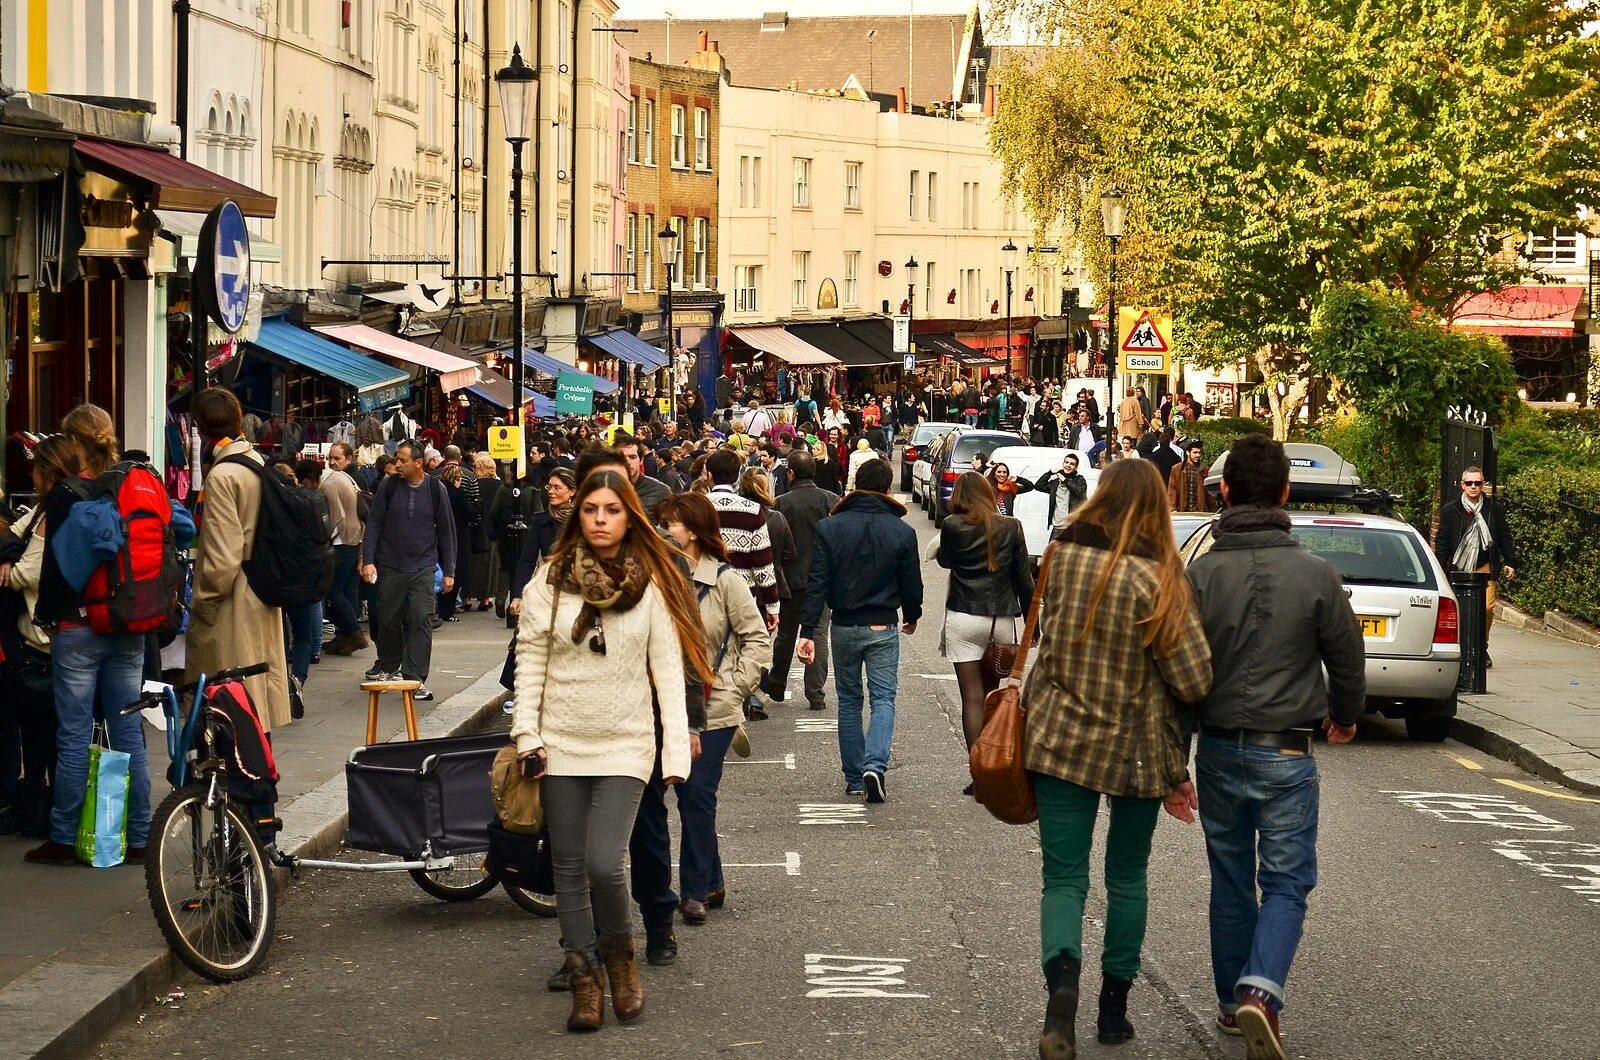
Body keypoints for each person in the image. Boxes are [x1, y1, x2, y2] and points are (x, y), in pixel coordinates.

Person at [1024, 459, 1213, 1060]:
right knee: (1126, 877)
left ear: (1100, 498)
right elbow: (1193, 679)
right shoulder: (1160, 579)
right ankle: (1112, 1011)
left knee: (1064, 877)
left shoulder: (1062, 558)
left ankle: (1061, 995)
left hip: (1059, 742)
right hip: (1136, 750)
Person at [1183, 434, 1365, 1058]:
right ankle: (1262, 991)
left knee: (1230, 877)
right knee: (1286, 881)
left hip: (1217, 748)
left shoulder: (1200, 575)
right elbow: (1347, 657)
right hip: (1287, 750)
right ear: (1286, 493)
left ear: (1226, 491)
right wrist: (1345, 716)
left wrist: (1172, 762)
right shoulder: (1316, 574)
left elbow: (1180, 676)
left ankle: (1234, 1006)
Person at [512, 467, 711, 1034]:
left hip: (626, 741)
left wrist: (676, 750)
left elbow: (669, 672)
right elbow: (532, 663)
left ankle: (621, 960)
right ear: (579, 514)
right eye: (591, 509)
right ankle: (584, 979)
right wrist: (527, 735)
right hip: (560, 740)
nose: (600, 520)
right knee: (567, 868)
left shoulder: (651, 583)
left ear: (629, 516)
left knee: (604, 862)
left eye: (612, 510)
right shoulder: (548, 582)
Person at [25, 406, 158, 865]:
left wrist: (46, 614)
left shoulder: (67, 493)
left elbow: (57, 567)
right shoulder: (135, 480)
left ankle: (63, 838)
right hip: (129, 624)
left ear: (73, 442)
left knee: (75, 734)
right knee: (128, 732)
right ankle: (140, 838)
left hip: (79, 625)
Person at [658, 492, 770, 923]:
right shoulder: (658, 577)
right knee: (684, 796)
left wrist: (735, 687)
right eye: (664, 522)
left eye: (674, 523)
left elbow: (757, 640)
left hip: (713, 708)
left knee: (696, 795)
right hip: (665, 704)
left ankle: (692, 893)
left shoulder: (725, 580)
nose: (667, 530)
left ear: (695, 529)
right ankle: (713, 879)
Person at [796, 459, 923, 803]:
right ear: (887, 486)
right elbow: (911, 583)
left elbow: (818, 581)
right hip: (883, 622)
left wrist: (808, 629)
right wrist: (912, 614)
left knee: (849, 700)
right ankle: (874, 765)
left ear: (856, 483)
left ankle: (854, 776)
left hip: (843, 624)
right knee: (883, 699)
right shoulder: (902, 531)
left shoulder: (830, 527)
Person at [0, 435, 74, 839]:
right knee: (43, 734)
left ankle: (47, 815)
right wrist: (8, 554)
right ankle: (42, 807)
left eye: (34, 466)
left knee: (43, 735)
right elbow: (10, 536)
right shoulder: (45, 509)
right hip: (48, 640)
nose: (29, 472)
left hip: (45, 642)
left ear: (47, 471)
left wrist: (9, 565)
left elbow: (27, 573)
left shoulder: (53, 512)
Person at [936, 473, 1033, 762]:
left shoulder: (952, 525)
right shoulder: (1012, 527)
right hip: (1000, 620)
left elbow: (945, 561)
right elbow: (1024, 580)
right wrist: (1032, 624)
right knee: (992, 696)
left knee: (972, 698)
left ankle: (977, 770)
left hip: (964, 617)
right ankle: (992, 768)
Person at [363, 440, 456, 701]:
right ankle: (389, 665)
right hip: (391, 565)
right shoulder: (388, 486)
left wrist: (449, 570)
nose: (397, 464)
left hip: (424, 566)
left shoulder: (436, 490)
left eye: (403, 460)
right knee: (388, 618)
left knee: (420, 619)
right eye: (396, 459)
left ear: (419, 463)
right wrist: (368, 559)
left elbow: (447, 532)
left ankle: (415, 678)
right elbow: (374, 524)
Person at [767, 451, 837, 711]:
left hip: (789, 577)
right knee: (818, 632)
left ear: (791, 473)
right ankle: (815, 693)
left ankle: (777, 683)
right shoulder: (830, 500)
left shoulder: (780, 503)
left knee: (786, 633)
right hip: (822, 578)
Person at [1435, 465, 1518, 656]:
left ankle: (1481, 646)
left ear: (1482, 485)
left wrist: (1510, 561)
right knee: (1462, 610)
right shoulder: (1450, 510)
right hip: (1459, 568)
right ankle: (1466, 647)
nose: (1473, 486)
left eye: (1478, 483)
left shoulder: (1493, 510)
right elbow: (1443, 541)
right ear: (1462, 485)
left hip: (1485, 565)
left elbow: (1504, 536)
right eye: (1469, 483)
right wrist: (1439, 567)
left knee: (1487, 608)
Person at [704, 450, 780, 629]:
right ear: (737, 475)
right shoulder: (752, 510)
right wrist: (772, 605)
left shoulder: (696, 505)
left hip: (704, 592)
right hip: (743, 594)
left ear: (709, 475)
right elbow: (763, 562)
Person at [740, 467, 791, 720]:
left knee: (739, 644)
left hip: (742, 588)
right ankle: (753, 696)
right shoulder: (777, 519)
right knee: (758, 645)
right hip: (768, 590)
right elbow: (789, 555)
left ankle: (745, 695)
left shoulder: (734, 515)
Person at [320, 442, 369, 656]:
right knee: (349, 591)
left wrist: (324, 539)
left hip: (342, 541)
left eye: (337, 458)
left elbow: (335, 516)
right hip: (355, 538)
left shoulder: (332, 481)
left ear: (348, 459)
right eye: (331, 457)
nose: (332, 462)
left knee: (333, 590)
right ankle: (345, 637)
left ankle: (354, 632)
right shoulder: (350, 478)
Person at [1033, 452, 1089, 542]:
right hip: (1058, 526)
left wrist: (1065, 481)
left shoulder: (1079, 479)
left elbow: (1079, 492)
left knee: (1070, 554)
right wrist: (1049, 473)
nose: (1068, 465)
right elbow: (1038, 486)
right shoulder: (1056, 482)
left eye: (1072, 464)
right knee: (1051, 553)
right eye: (1066, 462)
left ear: (1076, 467)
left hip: (1072, 526)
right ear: (1063, 464)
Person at [614, 432, 670, 521]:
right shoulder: (604, 489)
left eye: (632, 457)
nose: (627, 462)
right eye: (622, 457)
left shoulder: (660, 491)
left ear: (641, 460)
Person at [1168, 440, 1214, 513]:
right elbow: (1172, 491)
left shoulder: (1204, 470)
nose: (1198, 455)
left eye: (1199, 453)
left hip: (1199, 512)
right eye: (1195, 452)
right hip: (1183, 512)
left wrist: (1213, 511)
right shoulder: (1177, 469)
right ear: (1187, 452)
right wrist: (1172, 509)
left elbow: (1209, 494)